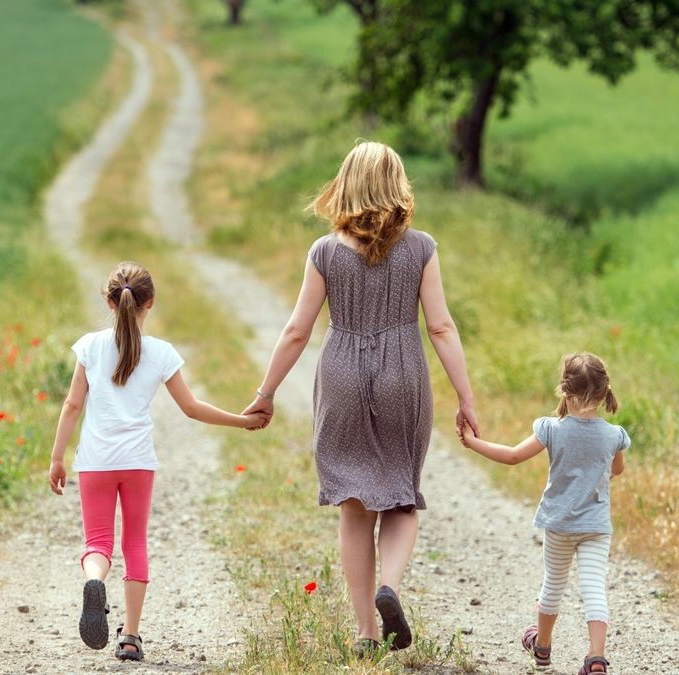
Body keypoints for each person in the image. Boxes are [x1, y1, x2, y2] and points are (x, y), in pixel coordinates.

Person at [241, 141, 479, 657]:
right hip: (403, 375)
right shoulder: (422, 248)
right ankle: (389, 584)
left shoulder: (325, 252)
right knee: (400, 496)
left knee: (354, 508)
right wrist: (466, 396)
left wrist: (265, 393)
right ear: (398, 185)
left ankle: (366, 633)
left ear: (346, 184)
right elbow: (439, 326)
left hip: (344, 373)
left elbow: (296, 332)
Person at [47, 261, 268, 662]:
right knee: (135, 543)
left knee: (98, 543)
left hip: (95, 461)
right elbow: (192, 407)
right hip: (137, 463)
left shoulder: (89, 346)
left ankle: (94, 580)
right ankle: (130, 637)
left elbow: (72, 404)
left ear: (109, 301)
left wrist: (57, 457)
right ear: (150, 303)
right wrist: (241, 421)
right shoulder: (161, 353)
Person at [458, 352, 627, 674]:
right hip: (596, 526)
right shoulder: (614, 435)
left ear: (564, 391)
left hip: (560, 524)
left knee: (553, 584)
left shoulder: (551, 428)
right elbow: (616, 470)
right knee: (594, 588)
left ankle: (543, 649)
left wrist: (471, 442)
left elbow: (511, 457)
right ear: (605, 392)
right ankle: (596, 657)